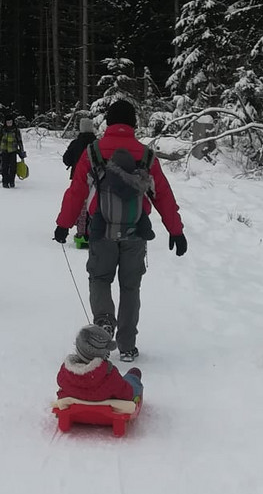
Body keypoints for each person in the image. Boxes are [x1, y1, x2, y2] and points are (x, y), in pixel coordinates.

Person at [53, 99, 187, 361]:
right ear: (134, 124)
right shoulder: (145, 155)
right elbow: (163, 196)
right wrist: (176, 230)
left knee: (100, 279)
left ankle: (103, 326)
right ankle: (127, 345)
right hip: (135, 233)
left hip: (101, 231)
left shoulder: (93, 151)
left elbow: (77, 191)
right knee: (130, 287)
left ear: (109, 123)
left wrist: (63, 224)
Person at [56, 324, 142, 402]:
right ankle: (133, 376)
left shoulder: (65, 371)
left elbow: (62, 385)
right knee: (132, 378)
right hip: (103, 412)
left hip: (75, 408)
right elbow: (126, 394)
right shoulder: (109, 374)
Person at [62, 117, 98, 248]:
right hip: (96, 180)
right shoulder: (97, 144)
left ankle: (81, 233)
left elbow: (66, 159)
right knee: (94, 205)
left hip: (78, 178)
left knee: (80, 206)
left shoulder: (75, 143)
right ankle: (93, 231)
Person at [0, 116, 26, 188]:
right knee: (4, 167)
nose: (9, 124)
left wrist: (21, 150)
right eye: (8, 122)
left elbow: (19, 141)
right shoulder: (2, 129)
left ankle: (12, 181)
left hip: (13, 150)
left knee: (13, 167)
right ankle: (5, 182)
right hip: (4, 150)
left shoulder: (16, 130)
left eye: (10, 122)